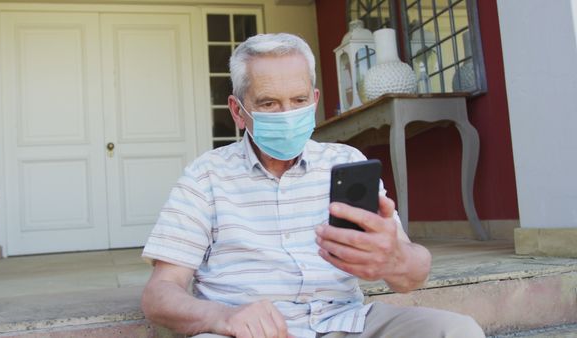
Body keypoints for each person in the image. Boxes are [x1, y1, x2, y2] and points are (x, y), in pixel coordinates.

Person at [141, 33, 484, 338]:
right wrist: (224, 316)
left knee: (458, 331)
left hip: (348, 323)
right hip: (249, 333)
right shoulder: (206, 176)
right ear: (238, 110)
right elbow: (160, 294)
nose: (287, 113)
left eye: (299, 100)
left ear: (315, 100)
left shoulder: (346, 162)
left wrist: (398, 260)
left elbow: (412, 274)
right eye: (269, 103)